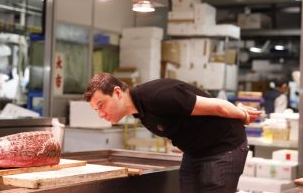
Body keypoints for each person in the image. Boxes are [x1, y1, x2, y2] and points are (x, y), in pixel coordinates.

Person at [83, 73, 262, 193]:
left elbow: (216, 105)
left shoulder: (158, 95)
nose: (101, 114)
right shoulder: (140, 110)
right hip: (196, 153)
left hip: (223, 147)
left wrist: (244, 115)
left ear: (117, 92)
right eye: (95, 110)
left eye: (101, 105)